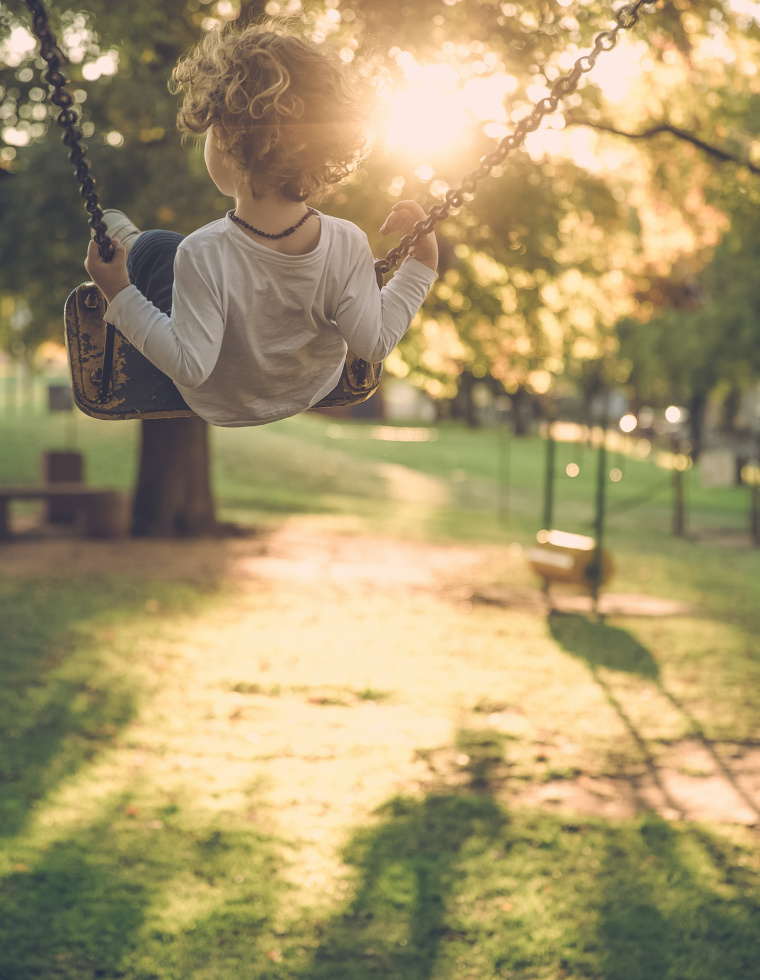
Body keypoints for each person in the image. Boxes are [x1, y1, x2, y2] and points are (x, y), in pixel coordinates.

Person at [84, 22, 438, 427]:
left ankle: (130, 246)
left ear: (231, 140)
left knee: (157, 247)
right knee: (173, 254)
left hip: (220, 399)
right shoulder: (348, 242)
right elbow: (374, 343)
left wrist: (118, 292)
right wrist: (421, 264)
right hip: (308, 388)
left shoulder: (200, 253)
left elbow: (189, 367)